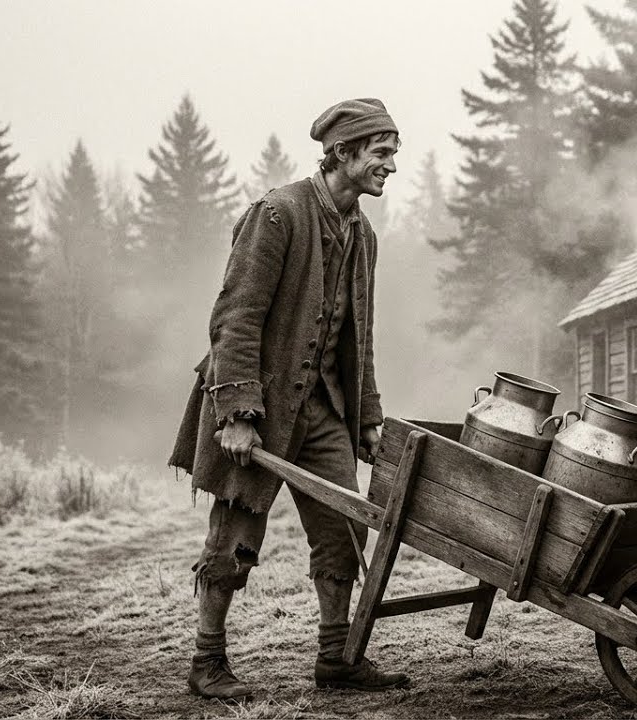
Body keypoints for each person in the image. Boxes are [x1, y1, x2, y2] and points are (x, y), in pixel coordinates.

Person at [169, 98, 408, 701]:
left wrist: (370, 418)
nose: (391, 167)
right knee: (235, 533)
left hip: (325, 411)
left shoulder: (364, 233)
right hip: (262, 408)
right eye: (381, 154)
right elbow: (235, 319)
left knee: (341, 532)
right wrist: (239, 414)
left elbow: (361, 334)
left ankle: (336, 659)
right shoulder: (277, 215)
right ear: (344, 152)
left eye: (393, 155)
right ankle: (207, 661)